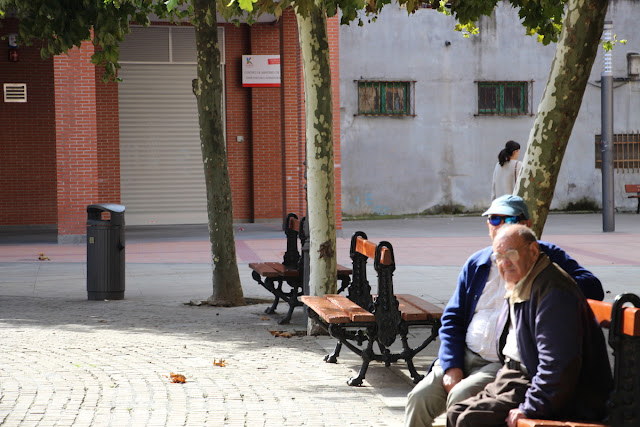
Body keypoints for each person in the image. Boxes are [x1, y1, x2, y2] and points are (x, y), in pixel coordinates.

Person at [404, 195, 604, 427]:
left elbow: (558, 360)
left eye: (508, 219)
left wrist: (542, 283)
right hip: (467, 355)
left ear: (527, 227)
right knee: (418, 399)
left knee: (462, 402)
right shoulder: (478, 262)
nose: (500, 225)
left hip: (501, 364)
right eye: (494, 219)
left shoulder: (545, 266)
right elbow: (452, 319)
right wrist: (451, 365)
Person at [446, 225, 613, 427]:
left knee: (471, 420)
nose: (504, 263)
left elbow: (559, 366)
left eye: (511, 254)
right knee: (456, 411)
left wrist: (530, 408)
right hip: (515, 376)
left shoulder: (553, 292)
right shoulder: (523, 281)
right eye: (498, 257)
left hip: (562, 394)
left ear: (533, 251)